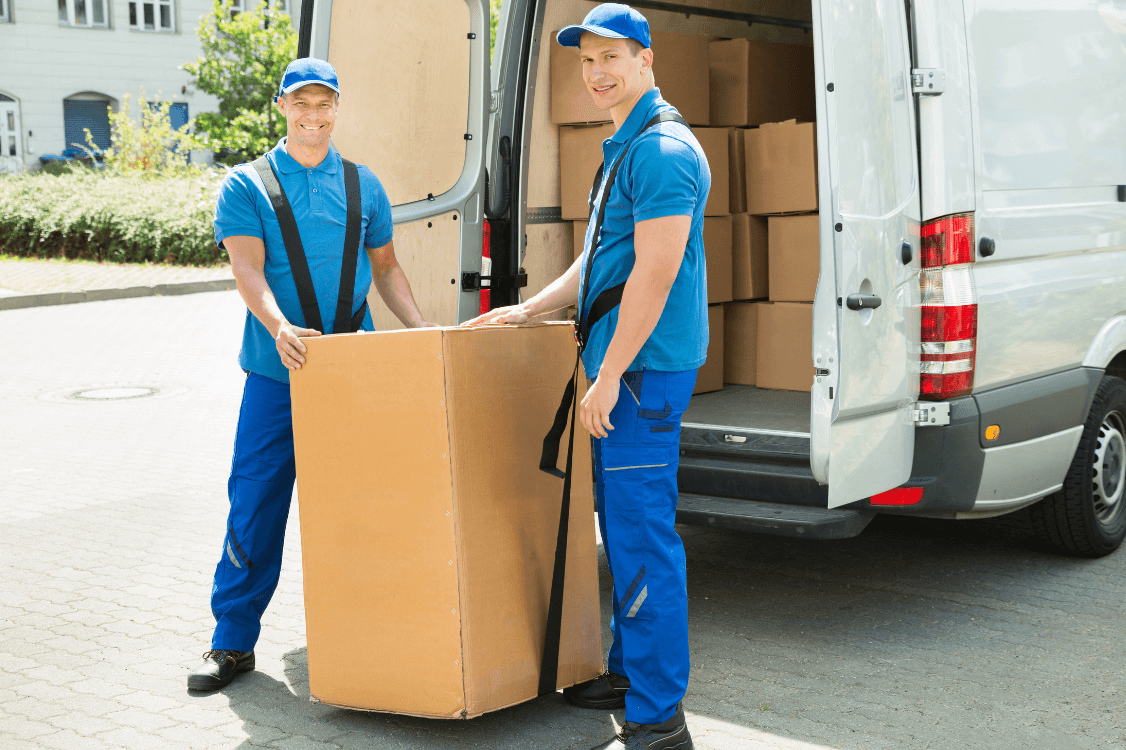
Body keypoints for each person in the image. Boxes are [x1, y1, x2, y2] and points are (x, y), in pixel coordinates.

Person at [465, 5, 708, 749]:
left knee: (641, 536)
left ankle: (659, 714)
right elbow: (601, 260)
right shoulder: (623, 147)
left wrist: (607, 378)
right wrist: (528, 307)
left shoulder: (663, 151)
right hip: (621, 370)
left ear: (646, 60)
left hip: (640, 376)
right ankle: (633, 672)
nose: (598, 73)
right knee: (623, 532)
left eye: (612, 58)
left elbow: (654, 278)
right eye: (586, 61)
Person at [188, 58, 434, 691]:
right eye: (302, 103)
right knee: (257, 500)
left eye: (324, 104)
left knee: (367, 506)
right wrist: (279, 327)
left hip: (356, 373)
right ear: (282, 107)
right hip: (278, 374)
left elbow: (388, 271)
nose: (314, 115)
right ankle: (232, 643)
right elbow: (247, 270)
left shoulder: (363, 186)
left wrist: (422, 328)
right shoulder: (247, 184)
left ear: (337, 108)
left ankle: (371, 635)